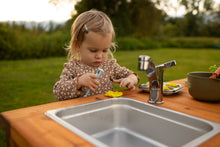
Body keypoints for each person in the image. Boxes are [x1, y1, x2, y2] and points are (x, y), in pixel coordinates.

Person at [53, 9, 139, 101]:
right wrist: (78, 82)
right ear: (78, 45)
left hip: (105, 110)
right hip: (81, 112)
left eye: (105, 50)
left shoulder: (109, 65)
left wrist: (131, 79)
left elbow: (131, 74)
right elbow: (58, 92)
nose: (99, 56)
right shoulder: (73, 67)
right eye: (93, 50)